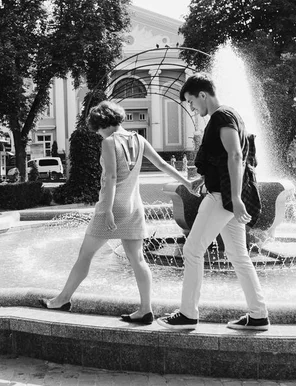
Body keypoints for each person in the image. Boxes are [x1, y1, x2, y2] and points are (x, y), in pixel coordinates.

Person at [40, 100, 193, 324]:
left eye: (98, 130)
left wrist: (109, 210)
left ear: (103, 124)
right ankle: (145, 309)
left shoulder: (110, 142)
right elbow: (161, 164)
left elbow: (111, 177)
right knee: (138, 259)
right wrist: (187, 182)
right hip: (134, 206)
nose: (99, 134)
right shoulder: (139, 139)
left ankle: (62, 299)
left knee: (85, 255)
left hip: (112, 206)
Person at [157, 72, 270, 331]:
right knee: (238, 255)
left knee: (192, 250)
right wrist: (203, 178)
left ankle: (187, 314)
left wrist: (235, 198)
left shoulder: (221, 116)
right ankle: (258, 315)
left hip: (221, 198)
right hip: (223, 194)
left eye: (192, 102)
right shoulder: (232, 115)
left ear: (203, 95)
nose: (193, 108)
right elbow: (224, 158)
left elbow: (235, 154)